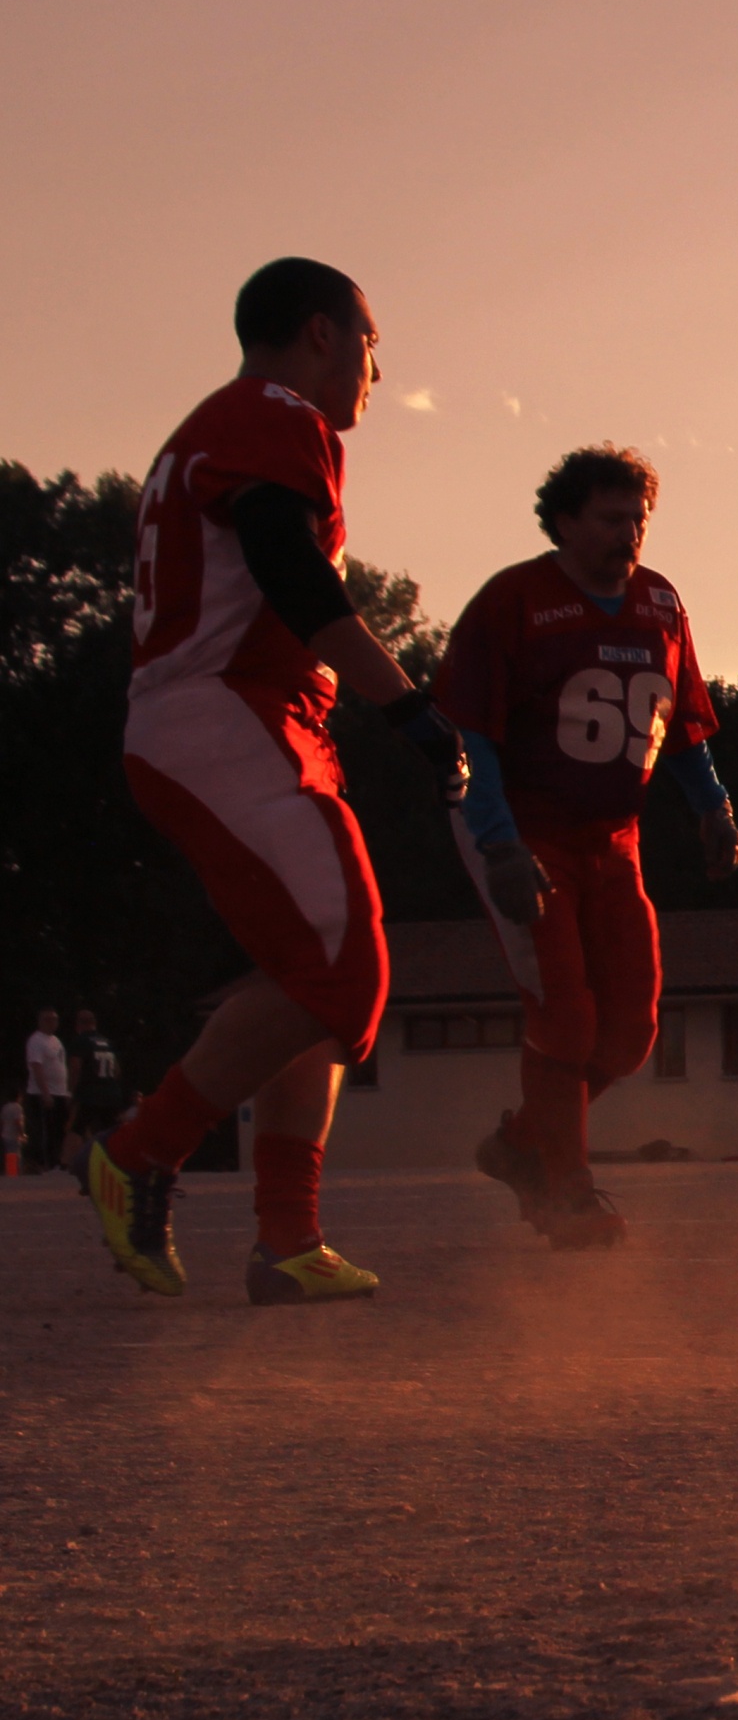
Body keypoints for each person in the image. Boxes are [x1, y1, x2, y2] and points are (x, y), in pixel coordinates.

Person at [80, 256, 466, 1302]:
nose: (378, 370)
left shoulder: (228, 423)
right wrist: (409, 706)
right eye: (372, 342)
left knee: (316, 984)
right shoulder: (276, 412)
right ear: (323, 333)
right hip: (222, 713)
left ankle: (286, 1239)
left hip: (242, 719)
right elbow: (293, 571)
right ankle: (137, 1153)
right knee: (344, 967)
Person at [434, 444, 738, 1249]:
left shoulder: (660, 604)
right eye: (610, 518)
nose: (629, 533)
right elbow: (471, 736)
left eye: (638, 517)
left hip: (614, 838)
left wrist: (712, 808)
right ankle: (567, 1191)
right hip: (525, 828)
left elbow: (677, 728)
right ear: (564, 520)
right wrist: (499, 842)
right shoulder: (514, 600)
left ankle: (520, 1146)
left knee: (631, 1031)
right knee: (564, 1016)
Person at [67, 1009, 125, 1147]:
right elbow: (117, 1071)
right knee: (111, 1131)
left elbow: (75, 1069)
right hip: (111, 1093)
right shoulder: (107, 1042)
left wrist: (71, 1092)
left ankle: (65, 1164)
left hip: (90, 1093)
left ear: (78, 1025)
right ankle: (118, 1162)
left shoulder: (81, 1041)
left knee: (76, 1129)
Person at [25, 1008, 69, 1171]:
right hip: (41, 1093)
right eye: (48, 1019)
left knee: (58, 1129)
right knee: (42, 1130)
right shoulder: (36, 1040)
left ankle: (55, 1162)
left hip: (59, 1092)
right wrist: (45, 1093)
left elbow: (61, 1067)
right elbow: (37, 1066)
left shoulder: (56, 1041)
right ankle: (39, 1163)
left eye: (55, 1019)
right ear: (41, 1021)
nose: (52, 1023)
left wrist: (66, 1092)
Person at [1, 1090, 26, 1176]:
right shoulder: (17, 1107)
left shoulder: (5, 1107)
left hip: (5, 1134)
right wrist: (22, 1134)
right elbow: (17, 1121)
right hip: (13, 1135)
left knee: (9, 1153)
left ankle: (10, 1171)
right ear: (18, 1097)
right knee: (15, 1154)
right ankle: (14, 1173)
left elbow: (2, 1122)